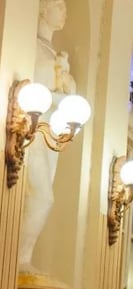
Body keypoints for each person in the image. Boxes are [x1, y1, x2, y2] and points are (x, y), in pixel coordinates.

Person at [20, 0, 76, 274]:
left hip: (49, 136)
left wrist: (65, 78)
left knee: (40, 196)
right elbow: (33, 89)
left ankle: (23, 257)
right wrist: (60, 95)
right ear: (42, 9)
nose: (64, 11)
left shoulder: (56, 54)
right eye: (58, 5)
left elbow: (72, 100)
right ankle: (19, 259)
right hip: (25, 130)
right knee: (43, 197)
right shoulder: (29, 45)